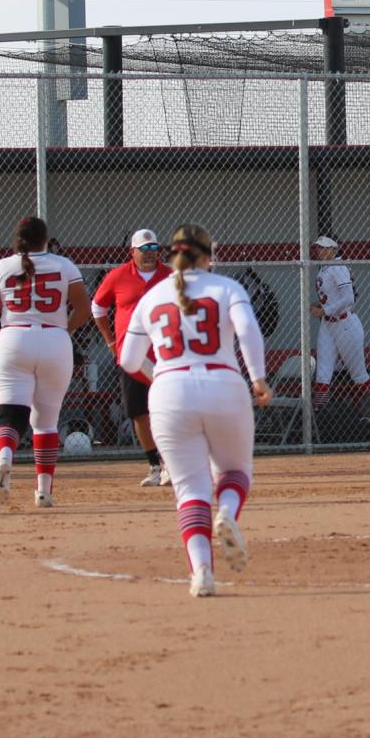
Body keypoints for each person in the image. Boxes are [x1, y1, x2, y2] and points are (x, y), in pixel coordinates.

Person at [117, 224, 272, 598]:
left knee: (189, 490)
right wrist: (259, 379)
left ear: (172, 254)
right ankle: (227, 514)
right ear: (208, 254)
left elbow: (128, 359)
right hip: (223, 385)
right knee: (234, 472)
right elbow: (249, 330)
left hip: (169, 392)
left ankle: (202, 572)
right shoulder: (226, 288)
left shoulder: (151, 298)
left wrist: (163, 378)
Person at [0, 215, 90, 508]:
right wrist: (64, 328)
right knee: (46, 422)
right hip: (54, 339)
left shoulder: (3, 266)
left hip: (13, 339)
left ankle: (5, 456)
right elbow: (83, 308)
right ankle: (44, 491)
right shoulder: (64, 265)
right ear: (45, 239)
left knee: (10, 413)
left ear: (18, 238)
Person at [92, 228, 174, 487]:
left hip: (165, 355)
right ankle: (154, 465)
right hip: (132, 357)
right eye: (145, 249)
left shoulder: (170, 276)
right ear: (132, 252)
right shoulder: (118, 276)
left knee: (168, 410)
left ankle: (172, 464)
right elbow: (98, 307)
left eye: (154, 249)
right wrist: (110, 341)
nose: (150, 254)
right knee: (138, 411)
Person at [309, 234, 370, 440]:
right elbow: (335, 297)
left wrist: (325, 310)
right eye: (318, 248)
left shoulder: (338, 267)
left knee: (359, 375)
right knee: (322, 374)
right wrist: (322, 308)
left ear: (333, 250)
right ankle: (315, 424)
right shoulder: (325, 268)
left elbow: (348, 298)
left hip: (346, 325)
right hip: (328, 326)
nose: (319, 251)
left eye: (324, 248)